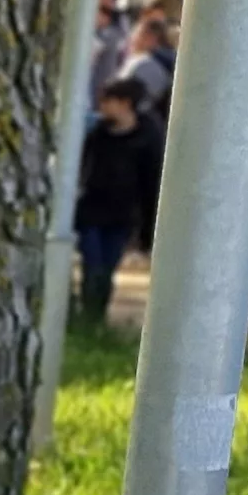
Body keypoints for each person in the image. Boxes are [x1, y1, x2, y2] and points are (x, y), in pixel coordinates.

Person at [74, 80, 162, 332]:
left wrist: (147, 229)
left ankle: (96, 318)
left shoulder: (147, 138)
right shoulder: (97, 135)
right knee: (92, 265)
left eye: (106, 101)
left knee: (107, 268)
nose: (101, 107)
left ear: (124, 103)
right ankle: (88, 318)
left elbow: (151, 182)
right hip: (90, 212)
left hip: (122, 216)